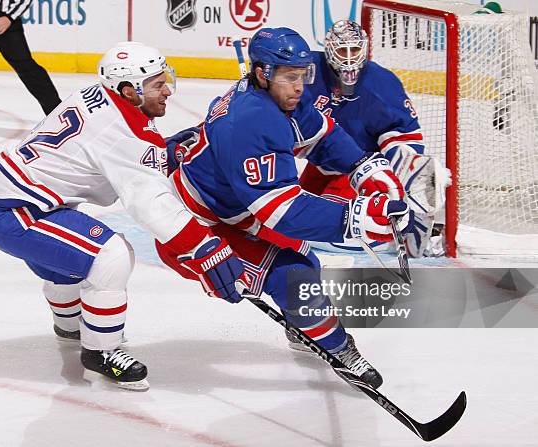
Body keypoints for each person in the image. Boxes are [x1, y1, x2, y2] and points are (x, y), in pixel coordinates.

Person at [0, 42, 245, 391]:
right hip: (19, 213)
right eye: (158, 84)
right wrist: (204, 246)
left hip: (17, 200)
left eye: (166, 79)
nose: (168, 90)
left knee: (71, 256)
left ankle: (70, 325)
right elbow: (149, 202)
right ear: (129, 91)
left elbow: (104, 147)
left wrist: (160, 151)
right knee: (111, 255)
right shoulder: (127, 133)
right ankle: (101, 352)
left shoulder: (98, 94)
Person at [159, 27, 414, 389]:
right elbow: (282, 211)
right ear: (263, 73)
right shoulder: (250, 120)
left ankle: (306, 328)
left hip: (230, 210)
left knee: (306, 261)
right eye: (291, 77)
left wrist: (364, 168)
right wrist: (354, 218)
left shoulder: (280, 98)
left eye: (304, 75)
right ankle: (341, 351)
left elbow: (321, 135)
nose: (300, 86)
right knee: (292, 275)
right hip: (191, 227)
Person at [300, 20, 450, 257]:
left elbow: (403, 136)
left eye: (355, 50)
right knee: (288, 216)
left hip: (357, 167)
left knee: (323, 225)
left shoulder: (381, 83)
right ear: (329, 49)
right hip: (320, 164)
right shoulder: (307, 71)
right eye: (342, 50)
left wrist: (403, 175)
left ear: (365, 48)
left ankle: (407, 223)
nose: (349, 58)